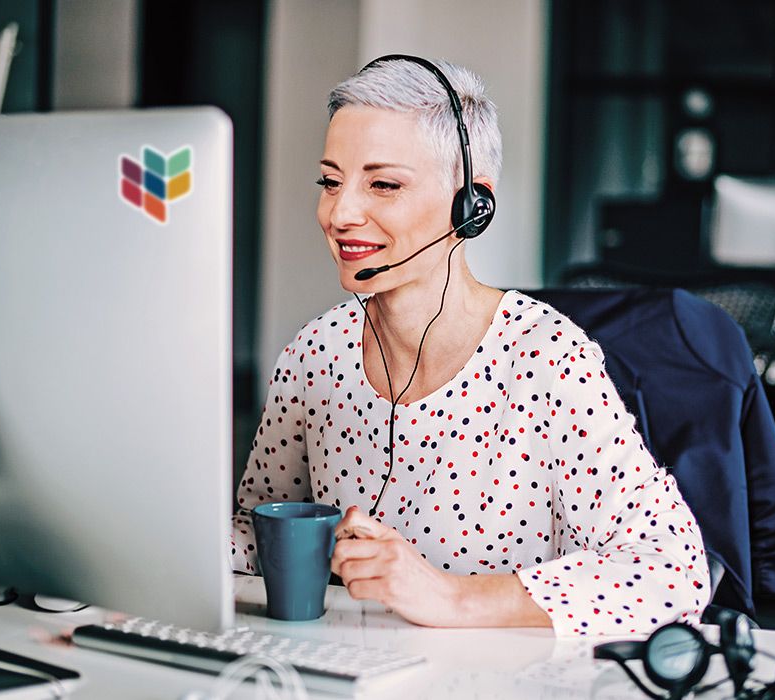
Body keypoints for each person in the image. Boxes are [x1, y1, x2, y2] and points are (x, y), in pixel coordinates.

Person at [231, 56, 708, 636]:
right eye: (331, 182)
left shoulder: (546, 360)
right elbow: (259, 535)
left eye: (383, 184)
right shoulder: (315, 353)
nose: (341, 213)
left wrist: (452, 599)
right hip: (348, 674)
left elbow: (673, 571)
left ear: (470, 205)